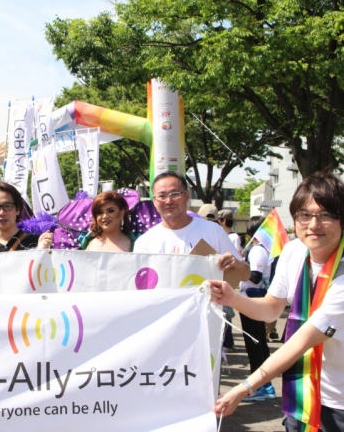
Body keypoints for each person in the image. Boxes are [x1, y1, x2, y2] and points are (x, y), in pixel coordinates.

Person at [210, 171, 344, 431]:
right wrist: (232, 297)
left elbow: (300, 342)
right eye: (305, 215)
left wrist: (244, 388)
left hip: (338, 400)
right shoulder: (294, 251)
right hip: (300, 392)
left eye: (326, 215)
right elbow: (271, 309)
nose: (313, 225)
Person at [133, 171, 250, 282]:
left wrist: (237, 264)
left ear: (187, 195)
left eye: (174, 194)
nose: (168, 201)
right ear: (154, 200)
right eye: (162, 196)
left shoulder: (213, 231)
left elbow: (245, 276)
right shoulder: (145, 242)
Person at [236, 216, 275, 401]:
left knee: (254, 342)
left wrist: (239, 269)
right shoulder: (261, 250)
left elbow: (256, 277)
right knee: (258, 341)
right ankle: (265, 385)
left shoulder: (257, 251)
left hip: (252, 297)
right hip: (256, 297)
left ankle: (259, 386)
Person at [0, 182, 52, 252]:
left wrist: (42, 252)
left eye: (7, 206)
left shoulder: (36, 242)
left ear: (18, 209)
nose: (2, 213)